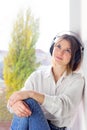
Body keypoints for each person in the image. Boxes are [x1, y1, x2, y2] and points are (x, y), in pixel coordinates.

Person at [7, 32, 85, 130]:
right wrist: (15, 105)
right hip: (31, 125)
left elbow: (63, 108)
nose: (60, 53)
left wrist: (32, 94)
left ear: (75, 56)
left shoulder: (77, 80)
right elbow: (15, 99)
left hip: (57, 128)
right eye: (58, 46)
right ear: (52, 48)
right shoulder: (37, 76)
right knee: (24, 102)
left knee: (30, 102)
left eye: (67, 50)